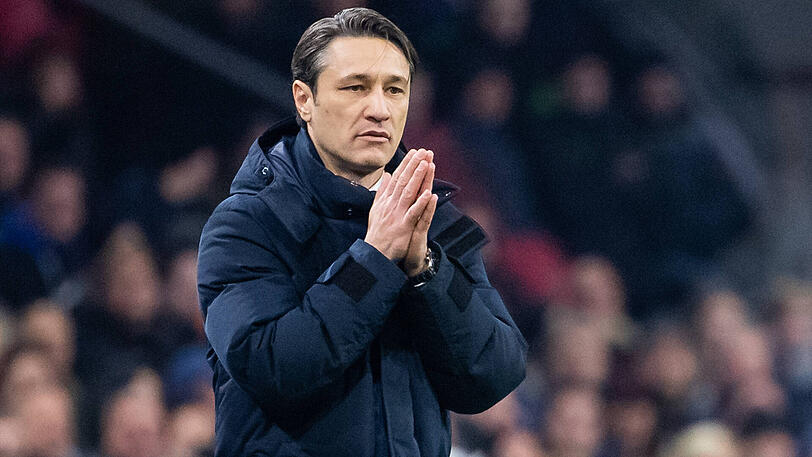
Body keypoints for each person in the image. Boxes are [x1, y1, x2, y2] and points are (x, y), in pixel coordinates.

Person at [197, 7, 527, 457]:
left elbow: (495, 371)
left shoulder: (433, 221)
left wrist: (425, 271)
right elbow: (276, 367)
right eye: (355, 87)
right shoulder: (246, 225)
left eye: (395, 89)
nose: (379, 109)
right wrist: (375, 259)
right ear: (304, 100)